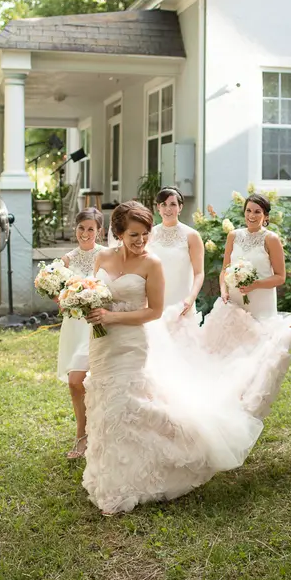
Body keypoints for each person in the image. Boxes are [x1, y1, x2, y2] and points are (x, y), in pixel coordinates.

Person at [81, 201, 262, 515]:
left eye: (145, 234)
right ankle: (108, 474)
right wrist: (88, 308)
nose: (141, 241)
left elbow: (152, 311)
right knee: (102, 402)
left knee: (122, 405)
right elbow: (94, 291)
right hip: (101, 344)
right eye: (134, 235)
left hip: (131, 343)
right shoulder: (102, 257)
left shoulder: (152, 264)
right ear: (120, 233)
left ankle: (132, 479)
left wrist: (111, 317)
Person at [201, 194, 291, 419]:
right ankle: (227, 400)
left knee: (255, 351)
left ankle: (250, 403)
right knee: (230, 349)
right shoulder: (234, 236)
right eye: (248, 211)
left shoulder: (270, 239)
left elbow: (280, 277)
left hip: (260, 302)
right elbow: (225, 269)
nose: (252, 216)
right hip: (234, 301)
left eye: (257, 212)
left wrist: (255, 284)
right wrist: (224, 290)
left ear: (265, 216)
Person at [56, 208, 104, 460]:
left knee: (98, 381)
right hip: (74, 326)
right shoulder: (66, 260)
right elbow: (55, 290)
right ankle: (82, 435)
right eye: (81, 228)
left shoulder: (106, 256)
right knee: (76, 383)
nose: (85, 234)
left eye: (91, 229)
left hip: (98, 326)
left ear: (99, 231)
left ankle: (102, 433)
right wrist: (62, 299)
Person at [148, 187, 205, 316]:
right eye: (164, 204)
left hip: (182, 302)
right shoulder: (150, 234)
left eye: (173, 204)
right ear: (158, 207)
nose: (168, 209)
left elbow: (199, 273)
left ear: (180, 207)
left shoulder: (192, 235)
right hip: (155, 301)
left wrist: (191, 298)